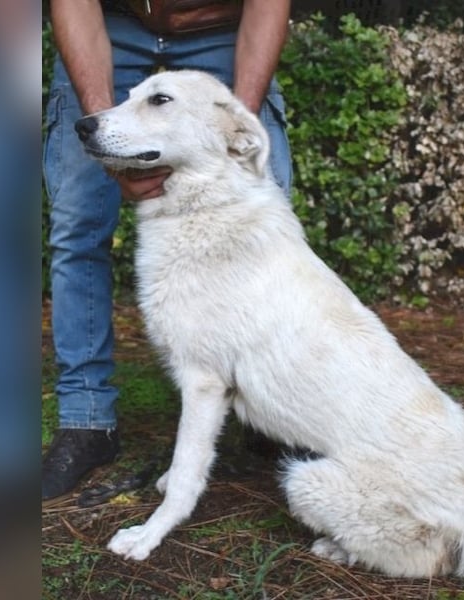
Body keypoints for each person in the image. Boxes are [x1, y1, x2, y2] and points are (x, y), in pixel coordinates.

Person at [42, 0, 292, 501]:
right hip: (111, 25)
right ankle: (87, 422)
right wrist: (110, 149)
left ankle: (268, 408)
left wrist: (229, 132)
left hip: (223, 28)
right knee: (77, 223)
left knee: (269, 202)